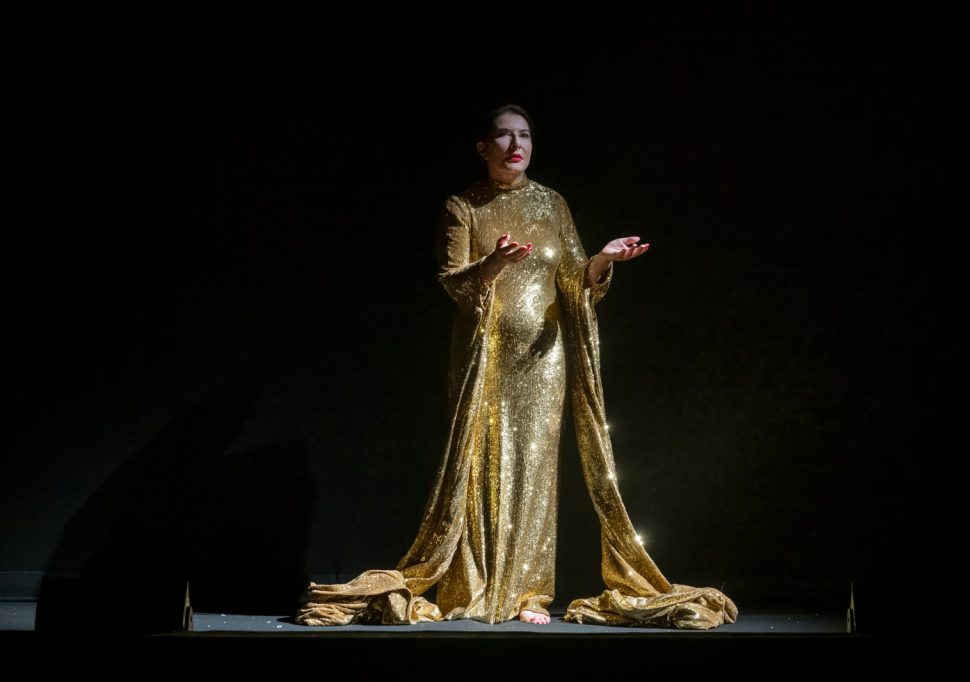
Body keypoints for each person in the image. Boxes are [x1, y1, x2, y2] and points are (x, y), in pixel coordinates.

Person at [296, 105, 737, 629]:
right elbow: (453, 282)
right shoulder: (463, 206)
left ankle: (531, 592)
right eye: (503, 136)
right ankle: (472, 586)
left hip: (545, 358)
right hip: (484, 357)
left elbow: (573, 278)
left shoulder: (551, 202)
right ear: (483, 148)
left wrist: (603, 259)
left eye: (524, 135)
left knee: (535, 471)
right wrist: (493, 263)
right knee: (478, 466)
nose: (515, 145)